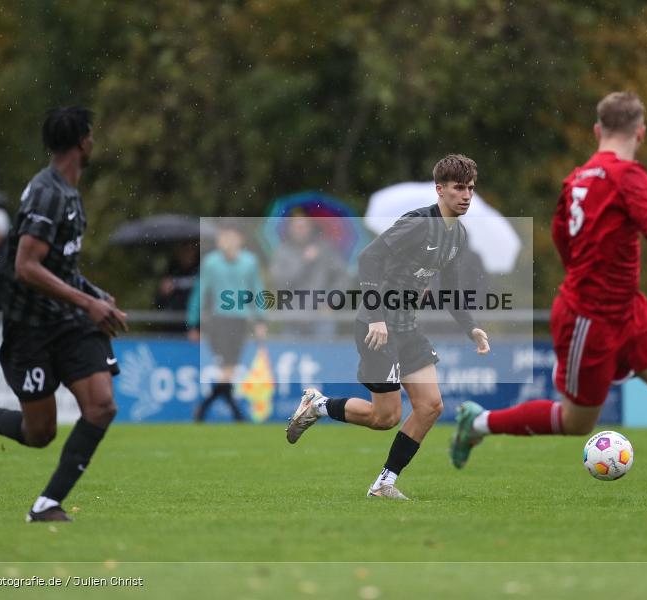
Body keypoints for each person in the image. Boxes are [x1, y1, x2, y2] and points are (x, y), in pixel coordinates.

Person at [449, 92, 647, 520]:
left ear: (597, 130)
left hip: (627, 307)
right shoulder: (628, 176)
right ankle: (478, 424)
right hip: (590, 316)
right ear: (641, 133)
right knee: (578, 422)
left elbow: (559, 236)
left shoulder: (577, 178)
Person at [0, 106, 128, 522]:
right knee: (39, 433)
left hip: (68, 322)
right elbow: (26, 267)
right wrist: (89, 303)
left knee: (101, 405)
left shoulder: (67, 192)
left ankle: (46, 503)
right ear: (82, 142)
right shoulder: (48, 193)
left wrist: (94, 295)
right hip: (31, 329)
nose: (93, 142)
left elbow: (60, 267)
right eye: (91, 135)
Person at [285, 154, 490, 500]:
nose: (466, 195)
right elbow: (369, 258)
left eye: (470, 188)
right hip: (376, 325)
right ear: (440, 189)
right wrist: (378, 316)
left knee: (430, 406)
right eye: (458, 188)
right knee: (385, 417)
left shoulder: (458, 235)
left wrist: (471, 327)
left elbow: (452, 290)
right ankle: (318, 404)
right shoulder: (418, 224)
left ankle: (384, 483)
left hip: (407, 329)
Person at [187, 220, 267, 422]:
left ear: (240, 239)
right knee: (228, 367)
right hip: (218, 321)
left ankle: (208, 408)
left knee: (228, 369)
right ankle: (233, 413)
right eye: (223, 237)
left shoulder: (250, 262)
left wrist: (260, 320)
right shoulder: (211, 262)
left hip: (240, 322)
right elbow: (200, 292)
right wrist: (193, 322)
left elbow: (257, 291)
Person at [268, 211, 350, 335]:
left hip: (321, 317)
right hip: (292, 317)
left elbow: (342, 278)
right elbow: (281, 283)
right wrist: (303, 262)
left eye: (304, 226)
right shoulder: (282, 252)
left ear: (310, 227)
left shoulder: (326, 249)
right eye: (297, 226)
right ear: (290, 229)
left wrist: (331, 301)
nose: (300, 230)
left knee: (324, 352)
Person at [153, 240, 200, 312]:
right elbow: (158, 305)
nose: (188, 251)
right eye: (184, 247)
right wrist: (163, 293)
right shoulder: (170, 270)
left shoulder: (202, 269)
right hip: (174, 319)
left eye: (192, 247)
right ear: (177, 250)